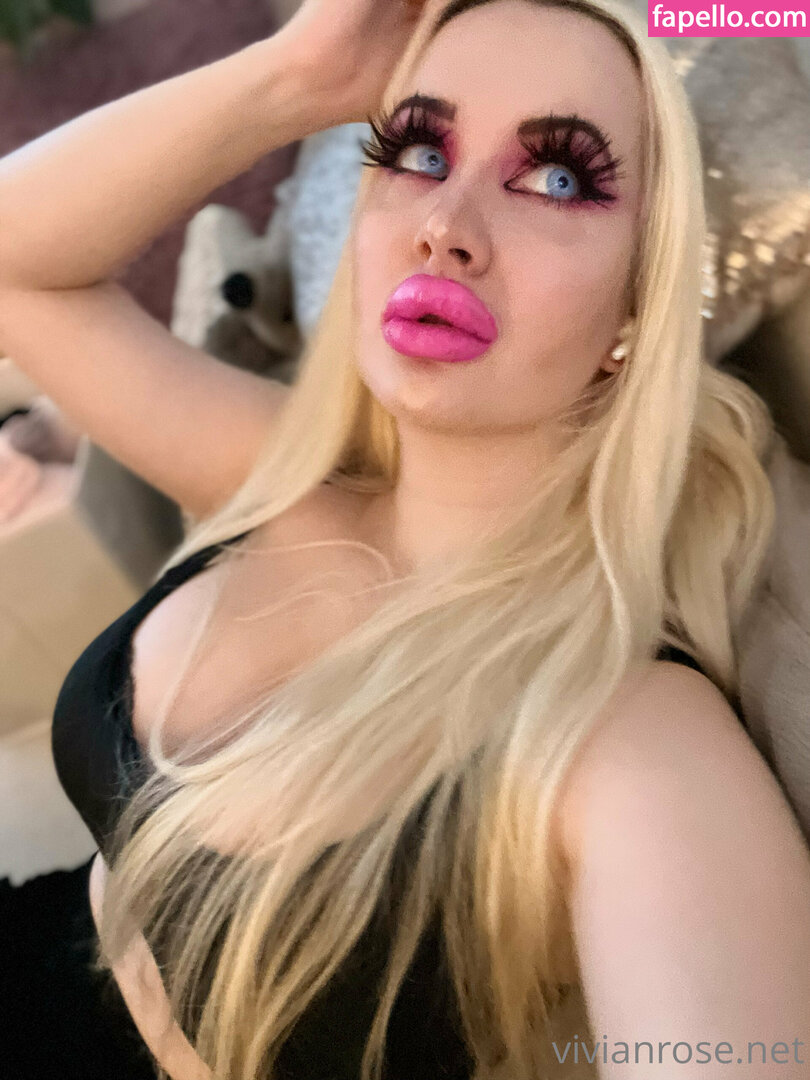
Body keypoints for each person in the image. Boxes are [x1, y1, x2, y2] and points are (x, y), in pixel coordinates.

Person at [0, 0, 808, 1078]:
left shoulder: (632, 744)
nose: (446, 224)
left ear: (634, 310)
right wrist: (295, 77)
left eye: (558, 178)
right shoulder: (282, 472)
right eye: (420, 152)